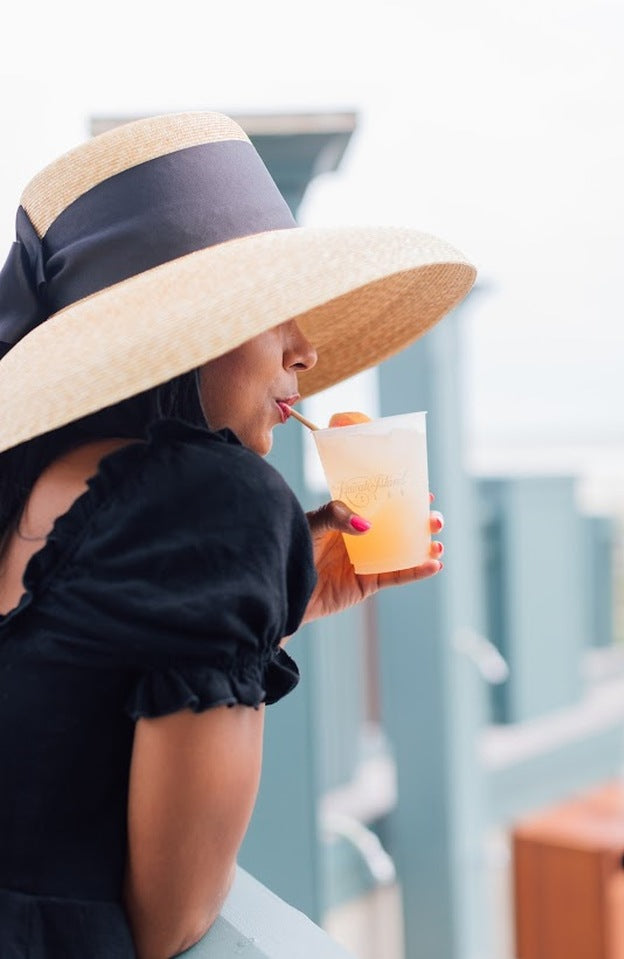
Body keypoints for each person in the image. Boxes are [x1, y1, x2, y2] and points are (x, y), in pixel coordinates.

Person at [0, 111, 475, 959]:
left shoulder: (29, 489)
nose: (307, 351)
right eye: (276, 311)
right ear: (185, 326)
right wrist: (246, 563)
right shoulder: (219, 501)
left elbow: (56, 690)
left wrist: (277, 597)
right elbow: (172, 916)